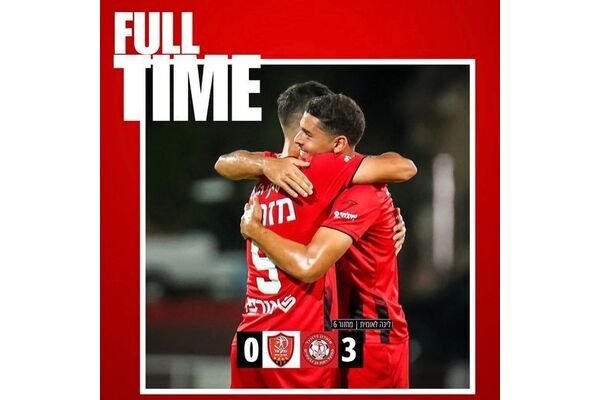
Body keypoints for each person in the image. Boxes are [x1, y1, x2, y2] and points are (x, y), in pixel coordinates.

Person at [215, 84, 415, 388]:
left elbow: (223, 162)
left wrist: (383, 228)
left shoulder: (263, 173)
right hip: (306, 343)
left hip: (250, 337)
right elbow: (402, 167)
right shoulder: (320, 170)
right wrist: (255, 231)